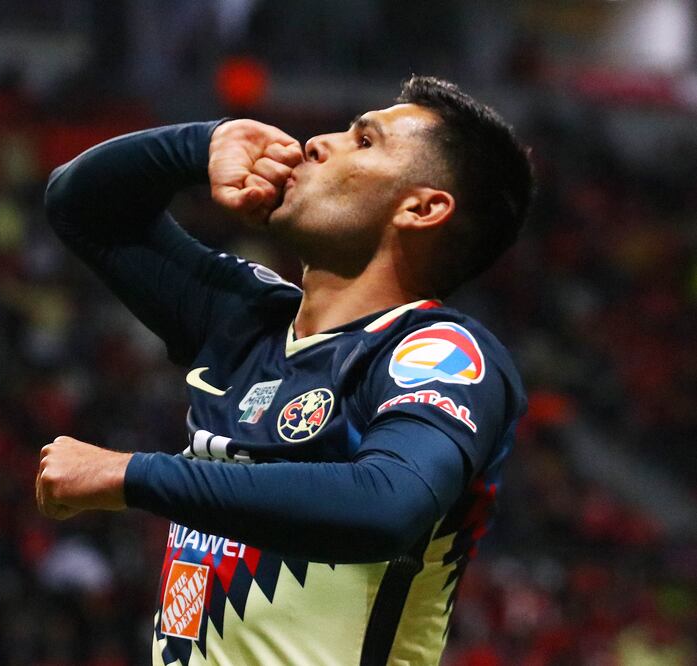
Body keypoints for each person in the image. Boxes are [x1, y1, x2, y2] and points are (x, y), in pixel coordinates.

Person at [38, 75, 533, 665]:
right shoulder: (246, 320)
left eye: (365, 141)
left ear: (422, 208)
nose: (317, 143)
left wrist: (132, 476)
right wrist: (204, 145)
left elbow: (388, 503)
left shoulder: (437, 351)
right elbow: (82, 206)